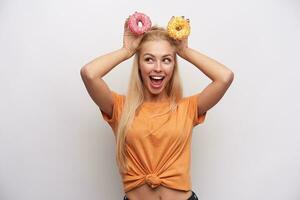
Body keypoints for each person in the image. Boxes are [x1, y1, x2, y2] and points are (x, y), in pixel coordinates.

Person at [80, 17, 234, 200]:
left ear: (174, 65)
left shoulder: (188, 108)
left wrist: (184, 51)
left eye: (166, 60)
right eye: (149, 59)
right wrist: (127, 50)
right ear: (139, 65)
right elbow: (89, 74)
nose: (158, 68)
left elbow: (225, 77)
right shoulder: (120, 107)